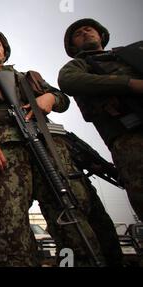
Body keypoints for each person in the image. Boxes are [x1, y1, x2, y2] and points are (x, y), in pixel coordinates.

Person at [0, 30, 105, 266]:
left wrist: (48, 98)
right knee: (11, 224)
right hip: (5, 150)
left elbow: (62, 100)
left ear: (5, 50)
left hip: (45, 148)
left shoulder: (27, 77)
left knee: (68, 215)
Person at [58, 18, 143, 221]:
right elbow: (69, 81)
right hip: (129, 134)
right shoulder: (78, 65)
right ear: (72, 46)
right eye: (78, 34)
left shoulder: (131, 54)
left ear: (101, 35)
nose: (85, 33)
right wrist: (129, 84)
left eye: (89, 29)